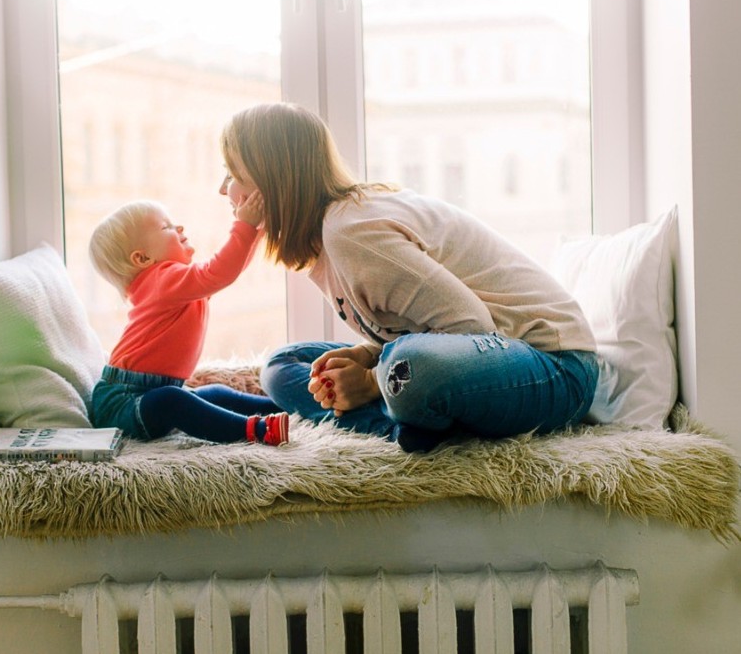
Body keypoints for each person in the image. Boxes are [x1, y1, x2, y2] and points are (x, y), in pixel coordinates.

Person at [218, 102, 598, 452]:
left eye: (233, 174)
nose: (224, 189)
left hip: (555, 367)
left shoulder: (351, 232)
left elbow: (473, 327)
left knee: (409, 367)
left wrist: (369, 381)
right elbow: (420, 331)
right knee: (283, 365)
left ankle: (401, 417)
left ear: (273, 181)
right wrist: (370, 358)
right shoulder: (326, 241)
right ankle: (404, 426)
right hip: (476, 358)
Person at [88, 195, 289, 447]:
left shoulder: (173, 283)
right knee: (172, 401)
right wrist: (245, 227)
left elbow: (227, 273)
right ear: (142, 259)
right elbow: (219, 271)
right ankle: (255, 430)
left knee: (214, 393)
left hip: (149, 391)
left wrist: (257, 231)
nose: (179, 227)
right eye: (166, 227)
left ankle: (283, 407)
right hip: (122, 403)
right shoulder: (162, 280)